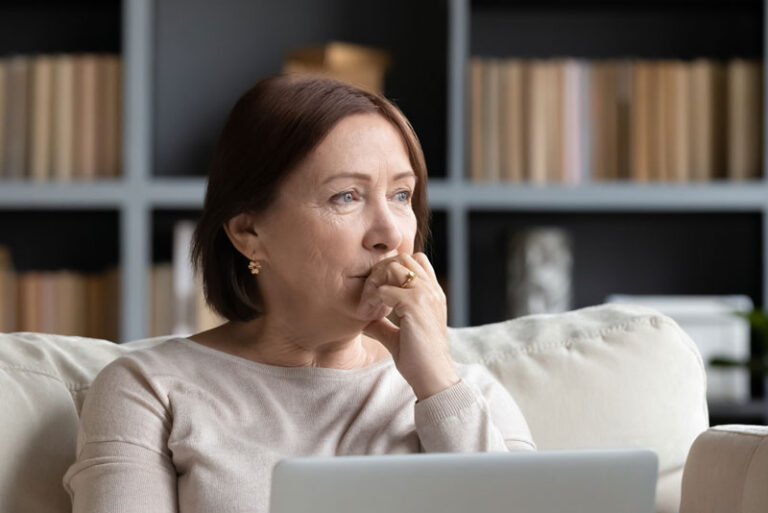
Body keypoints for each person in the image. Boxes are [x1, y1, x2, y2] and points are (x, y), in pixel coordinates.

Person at [63, 74, 536, 513]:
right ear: (248, 232)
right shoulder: (147, 389)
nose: (389, 234)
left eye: (401, 195)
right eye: (346, 196)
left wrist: (436, 383)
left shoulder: (467, 395)